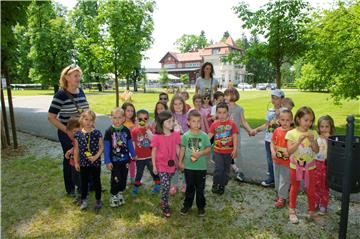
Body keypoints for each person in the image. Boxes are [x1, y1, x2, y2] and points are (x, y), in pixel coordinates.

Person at [48, 65, 89, 196]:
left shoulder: (81, 91)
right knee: (70, 158)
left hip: (82, 132)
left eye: (79, 75)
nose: (78, 78)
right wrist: (67, 131)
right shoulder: (60, 95)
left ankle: (87, 185)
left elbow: (85, 111)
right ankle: (70, 188)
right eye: (75, 76)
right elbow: (51, 117)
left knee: (85, 157)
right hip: (67, 133)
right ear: (66, 77)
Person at [286, 106, 320, 224]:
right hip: (295, 167)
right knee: (294, 188)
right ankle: (292, 211)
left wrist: (312, 141)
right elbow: (289, 151)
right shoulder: (291, 133)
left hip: (310, 167)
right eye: (306, 120)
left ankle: (311, 211)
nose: (308, 123)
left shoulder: (313, 133)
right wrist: (299, 141)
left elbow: (316, 150)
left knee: (310, 189)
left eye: (311, 121)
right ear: (298, 119)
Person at [179, 110, 211, 217]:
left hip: (201, 168)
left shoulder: (204, 136)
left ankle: (201, 207)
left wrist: (200, 154)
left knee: (200, 189)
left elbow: (208, 149)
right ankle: (187, 205)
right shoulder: (185, 136)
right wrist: (180, 162)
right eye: (193, 121)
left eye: (198, 121)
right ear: (188, 122)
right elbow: (182, 149)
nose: (196, 124)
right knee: (190, 187)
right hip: (189, 167)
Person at [104, 107, 136, 207]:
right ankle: (114, 195)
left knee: (123, 178)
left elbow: (130, 143)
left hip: (125, 160)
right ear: (111, 118)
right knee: (116, 178)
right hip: (114, 161)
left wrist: (133, 154)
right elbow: (106, 147)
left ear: (123, 119)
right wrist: (107, 161)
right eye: (114, 118)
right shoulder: (109, 131)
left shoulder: (126, 130)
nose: (117, 120)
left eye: (119, 118)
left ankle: (120, 193)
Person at [151, 110, 181, 218]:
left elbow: (178, 148)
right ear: (162, 123)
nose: (172, 123)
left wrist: (180, 161)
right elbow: (153, 151)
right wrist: (154, 166)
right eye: (169, 121)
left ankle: (163, 198)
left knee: (167, 183)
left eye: (172, 121)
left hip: (172, 165)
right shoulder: (156, 137)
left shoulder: (175, 135)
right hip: (161, 165)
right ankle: (164, 204)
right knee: (166, 185)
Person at [253, 89, 285, 187]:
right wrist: (256, 130)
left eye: (277, 98)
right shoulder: (269, 111)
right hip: (268, 139)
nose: (274, 100)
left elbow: (287, 124)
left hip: (279, 140)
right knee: (270, 158)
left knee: (280, 158)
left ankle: (279, 177)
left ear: (282, 100)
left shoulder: (285, 111)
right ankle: (272, 175)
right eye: (273, 98)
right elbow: (266, 125)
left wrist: (279, 114)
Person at [73, 110, 104, 210]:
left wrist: (95, 157)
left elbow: (101, 147)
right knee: (84, 182)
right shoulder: (78, 135)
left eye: (91, 120)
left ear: (94, 121)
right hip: (83, 163)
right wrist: (76, 162)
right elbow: (76, 149)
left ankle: (98, 199)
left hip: (95, 163)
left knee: (96, 181)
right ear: (82, 119)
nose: (88, 122)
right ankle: (84, 199)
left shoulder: (97, 133)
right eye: (86, 119)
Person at [224, 88, 255, 181]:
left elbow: (244, 122)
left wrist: (250, 130)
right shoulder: (223, 107)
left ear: (233, 96)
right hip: (224, 135)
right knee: (225, 152)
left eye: (226, 95)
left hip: (235, 135)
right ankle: (226, 171)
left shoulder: (239, 109)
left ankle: (240, 171)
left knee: (237, 152)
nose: (224, 97)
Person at [208, 102, 239, 195]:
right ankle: (216, 183)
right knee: (218, 169)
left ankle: (222, 185)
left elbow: (235, 136)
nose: (221, 115)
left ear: (228, 113)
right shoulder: (214, 124)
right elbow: (209, 136)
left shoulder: (232, 124)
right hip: (218, 151)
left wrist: (235, 149)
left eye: (224, 112)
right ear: (216, 113)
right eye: (219, 112)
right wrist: (201, 142)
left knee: (226, 169)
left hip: (229, 152)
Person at [131, 109, 161, 196]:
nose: (142, 121)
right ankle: (136, 186)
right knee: (139, 172)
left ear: (148, 120)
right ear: (137, 119)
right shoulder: (134, 131)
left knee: (153, 171)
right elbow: (133, 142)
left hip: (149, 156)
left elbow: (153, 140)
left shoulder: (150, 129)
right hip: (139, 157)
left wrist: (148, 130)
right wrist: (133, 154)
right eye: (140, 119)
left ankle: (158, 184)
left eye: (145, 119)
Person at [271, 109, 293, 208]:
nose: (285, 122)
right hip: (276, 160)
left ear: (291, 121)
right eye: (282, 120)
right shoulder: (277, 130)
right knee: (277, 178)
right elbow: (272, 142)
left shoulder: (292, 133)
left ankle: (282, 198)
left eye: (287, 120)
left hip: (287, 162)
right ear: (279, 121)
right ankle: (278, 193)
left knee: (284, 180)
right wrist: (273, 152)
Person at [315, 115, 335, 215]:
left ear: (331, 127)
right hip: (317, 164)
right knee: (317, 184)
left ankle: (324, 204)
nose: (324, 129)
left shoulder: (333, 140)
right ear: (318, 128)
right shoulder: (317, 139)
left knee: (325, 185)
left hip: (327, 165)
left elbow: (335, 152)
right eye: (322, 126)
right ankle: (316, 202)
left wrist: (329, 140)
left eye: (327, 126)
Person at [169, 95, 188, 194]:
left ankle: (185, 184)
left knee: (185, 164)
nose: (178, 106)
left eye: (180, 103)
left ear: (183, 104)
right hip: (173, 145)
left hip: (184, 144)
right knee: (174, 165)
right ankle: (174, 184)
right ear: (172, 105)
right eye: (175, 104)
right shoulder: (170, 116)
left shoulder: (187, 115)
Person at [65, 117, 81, 201]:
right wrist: (70, 151)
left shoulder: (81, 138)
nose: (75, 134)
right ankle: (80, 191)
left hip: (79, 163)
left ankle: (82, 197)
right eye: (73, 132)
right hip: (73, 163)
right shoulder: (75, 139)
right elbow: (75, 147)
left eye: (76, 131)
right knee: (75, 179)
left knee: (80, 180)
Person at [121, 102, 136, 184]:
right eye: (128, 111)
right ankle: (124, 178)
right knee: (124, 163)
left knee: (132, 163)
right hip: (123, 147)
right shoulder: (120, 123)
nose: (130, 113)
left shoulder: (134, 123)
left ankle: (133, 177)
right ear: (123, 111)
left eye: (132, 111)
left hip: (132, 147)